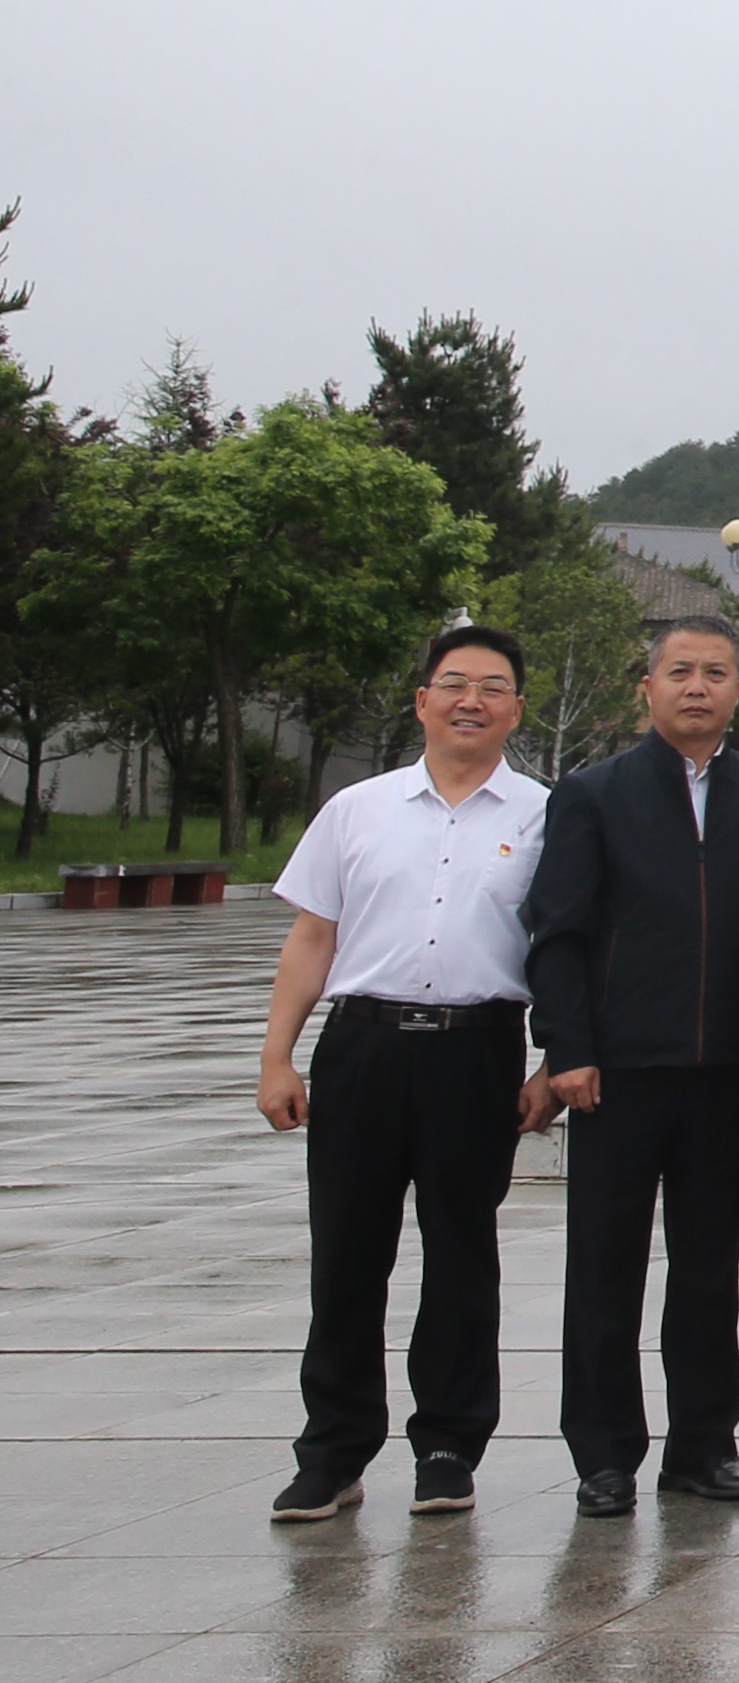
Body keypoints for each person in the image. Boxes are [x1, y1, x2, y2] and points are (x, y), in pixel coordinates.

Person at [258, 623, 560, 1522]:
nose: (472, 700)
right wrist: (277, 1054)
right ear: (423, 699)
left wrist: (552, 1062)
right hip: (363, 1046)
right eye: (455, 682)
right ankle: (332, 1451)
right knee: (346, 1255)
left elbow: (569, 950)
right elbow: (313, 936)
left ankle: (448, 1447)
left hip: (478, 1052)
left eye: (493, 686)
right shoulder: (358, 808)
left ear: (516, 708)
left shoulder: (546, 817)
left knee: (462, 1254)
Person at [528, 615, 739, 1518]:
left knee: (707, 1270)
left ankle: (703, 1446)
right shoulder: (594, 793)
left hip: (724, 1073)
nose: (697, 686)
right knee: (603, 1267)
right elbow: (558, 930)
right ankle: (603, 1453)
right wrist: (568, 1048)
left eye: (715, 672)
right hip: (618, 1074)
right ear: (647, 686)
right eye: (679, 670)